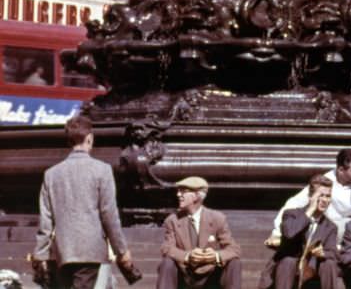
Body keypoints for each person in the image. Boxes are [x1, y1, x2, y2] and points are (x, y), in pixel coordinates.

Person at [32, 114, 133, 289]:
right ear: (89, 138)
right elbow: (109, 215)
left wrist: (40, 254)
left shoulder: (51, 174)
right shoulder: (102, 170)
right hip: (91, 251)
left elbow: (46, 220)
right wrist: (121, 251)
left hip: (63, 251)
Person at [157, 176, 241, 289]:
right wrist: (187, 256)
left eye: (183, 191)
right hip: (185, 275)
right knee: (167, 263)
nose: (178, 195)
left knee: (234, 262)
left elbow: (234, 249)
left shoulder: (218, 218)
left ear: (197, 196)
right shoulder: (172, 220)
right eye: (178, 191)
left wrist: (216, 256)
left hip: (211, 276)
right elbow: (166, 248)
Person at [266, 148, 351, 246]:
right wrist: (277, 233)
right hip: (330, 228)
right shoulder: (326, 182)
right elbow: (295, 203)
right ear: (341, 170)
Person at [259, 174, 338, 289]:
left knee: (328, 263)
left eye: (328, 196)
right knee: (288, 261)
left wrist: (323, 253)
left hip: (311, 273)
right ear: (311, 196)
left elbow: (333, 253)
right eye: (321, 195)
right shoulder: (291, 214)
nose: (325, 200)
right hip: (285, 272)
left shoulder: (330, 227)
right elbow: (289, 233)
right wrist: (310, 210)